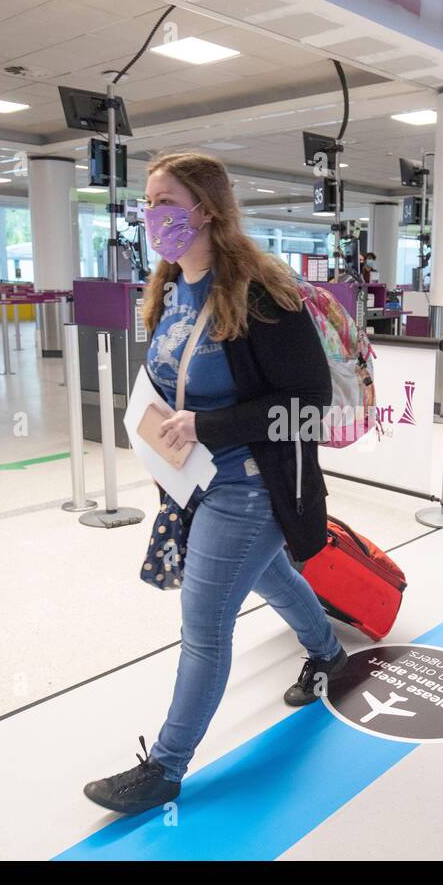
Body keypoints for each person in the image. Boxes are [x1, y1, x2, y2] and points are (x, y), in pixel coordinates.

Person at [83, 151, 346, 815]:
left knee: (203, 626)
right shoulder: (170, 288)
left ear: (205, 210)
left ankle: (165, 769)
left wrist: (210, 426)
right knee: (268, 576)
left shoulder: (260, 292)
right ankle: (330, 654)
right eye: (146, 203)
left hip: (252, 487)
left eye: (164, 202)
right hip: (195, 481)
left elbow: (309, 403)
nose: (150, 217)